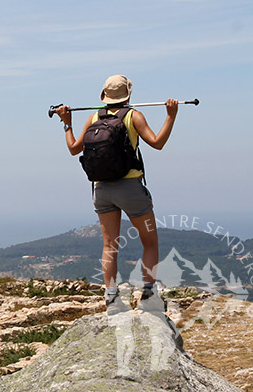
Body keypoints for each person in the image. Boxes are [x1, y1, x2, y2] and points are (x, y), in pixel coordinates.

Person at [55, 75, 178, 314]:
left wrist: (67, 123)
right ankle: (149, 295)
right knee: (150, 242)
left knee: (109, 245)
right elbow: (157, 142)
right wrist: (170, 116)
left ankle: (111, 299)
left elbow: (73, 149)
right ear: (128, 95)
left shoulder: (93, 118)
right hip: (130, 188)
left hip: (101, 190)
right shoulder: (134, 116)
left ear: (104, 96)